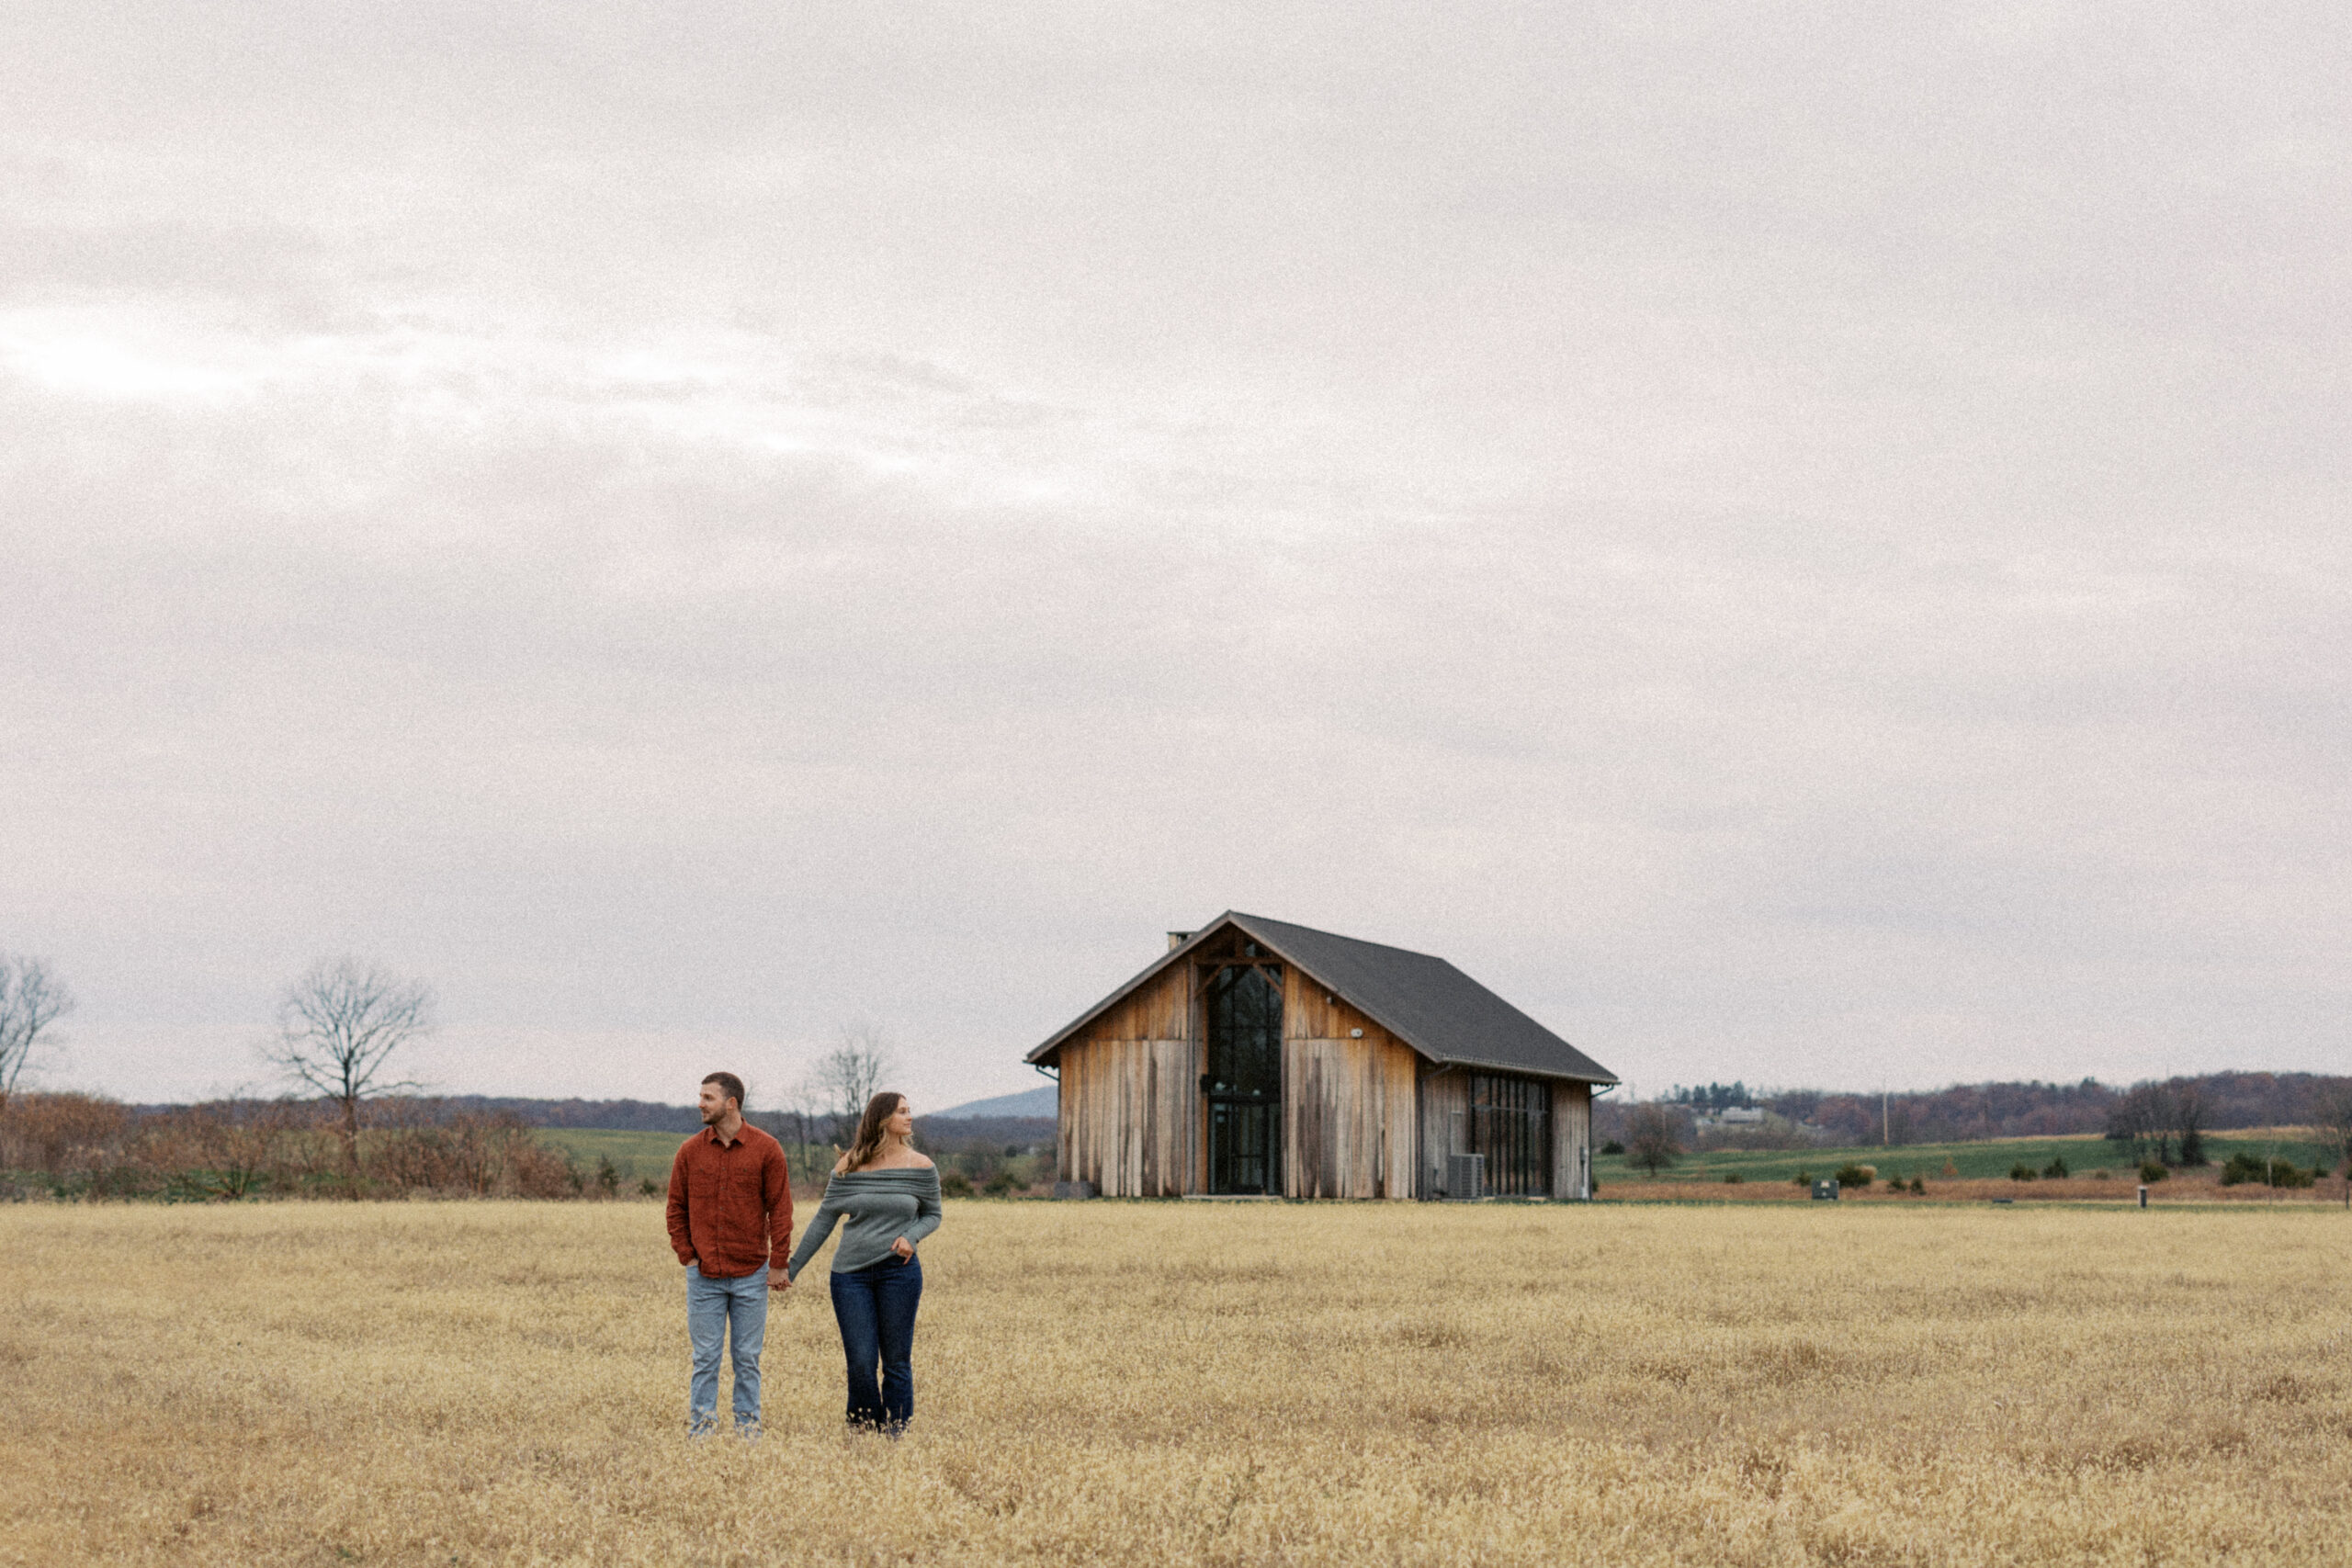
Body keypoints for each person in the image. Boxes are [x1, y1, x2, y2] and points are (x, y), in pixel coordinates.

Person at [783, 1091, 942, 1434]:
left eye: (909, 1110)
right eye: (902, 1112)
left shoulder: (921, 1166)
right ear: (883, 1119)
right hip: (850, 1277)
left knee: (897, 1362)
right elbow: (824, 1220)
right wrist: (791, 1267)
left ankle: (896, 1434)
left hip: (899, 1274)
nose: (909, 1117)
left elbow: (933, 1215)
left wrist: (911, 1237)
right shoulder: (849, 1165)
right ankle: (864, 1431)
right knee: (861, 1363)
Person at [665, 1071, 792, 1438]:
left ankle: (748, 1431)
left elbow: (780, 1210)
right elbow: (675, 1208)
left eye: (708, 1097)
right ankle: (702, 1430)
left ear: (731, 1103)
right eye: (700, 1096)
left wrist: (779, 1263)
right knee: (705, 1358)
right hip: (703, 1274)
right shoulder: (689, 1151)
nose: (700, 1104)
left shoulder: (767, 1149)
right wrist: (687, 1255)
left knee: (747, 1360)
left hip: (751, 1272)